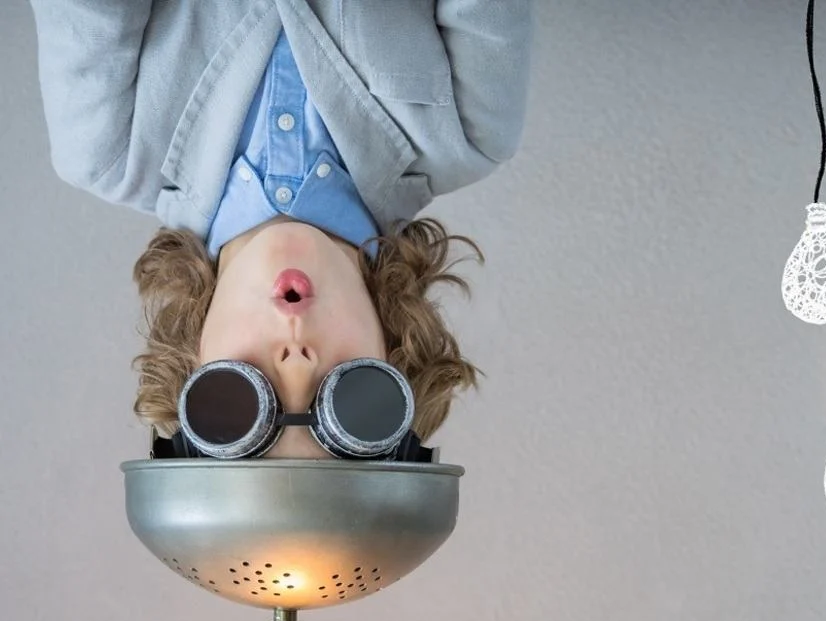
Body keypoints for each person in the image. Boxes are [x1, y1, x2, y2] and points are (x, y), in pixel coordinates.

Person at [30, 0, 533, 458]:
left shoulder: (105, 147)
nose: (296, 361)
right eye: (350, 391)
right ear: (397, 356)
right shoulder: (471, 134)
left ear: (189, 363)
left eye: (239, 393)